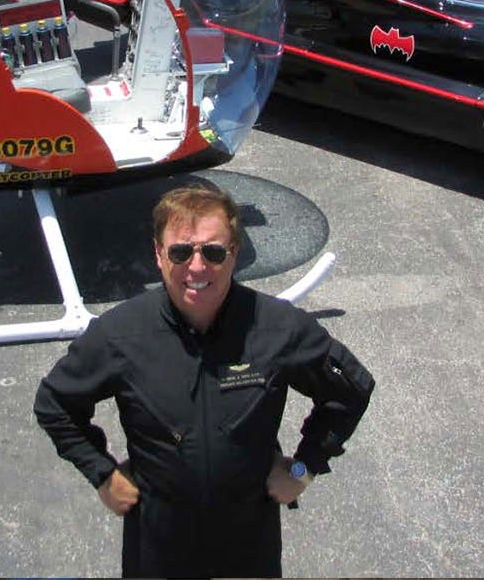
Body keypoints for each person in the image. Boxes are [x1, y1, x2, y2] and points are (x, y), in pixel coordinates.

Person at [34, 182, 375, 578]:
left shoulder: (277, 327)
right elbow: (54, 404)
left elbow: (351, 390)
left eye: (213, 252)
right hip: (158, 547)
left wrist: (304, 468)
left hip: (248, 547)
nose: (196, 267)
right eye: (180, 252)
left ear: (234, 254)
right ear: (158, 254)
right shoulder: (121, 334)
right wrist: (102, 474)